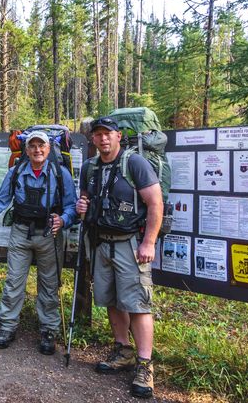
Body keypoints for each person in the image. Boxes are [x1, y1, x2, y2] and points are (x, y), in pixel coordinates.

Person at [75, 117, 163, 399]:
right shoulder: (90, 167)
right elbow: (86, 200)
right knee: (111, 298)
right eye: (97, 135)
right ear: (93, 139)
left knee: (137, 303)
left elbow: (155, 202)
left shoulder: (134, 163)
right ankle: (122, 349)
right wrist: (81, 207)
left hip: (130, 244)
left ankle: (145, 366)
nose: (102, 139)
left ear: (118, 136)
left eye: (107, 134)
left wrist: (149, 242)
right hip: (101, 243)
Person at [0, 130, 78, 355]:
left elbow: (72, 205)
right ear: (27, 149)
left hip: (49, 234)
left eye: (41, 146)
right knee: (14, 281)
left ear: (49, 149)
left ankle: (49, 330)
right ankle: (7, 326)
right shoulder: (16, 172)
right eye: (32, 146)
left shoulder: (61, 174)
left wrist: (62, 220)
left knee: (50, 284)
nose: (37, 150)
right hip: (20, 232)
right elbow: (2, 200)